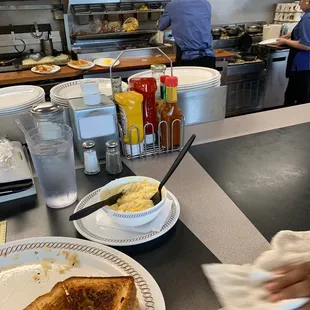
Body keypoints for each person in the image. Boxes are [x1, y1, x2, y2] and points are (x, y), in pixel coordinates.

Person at [158, 0, 216, 68]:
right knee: (209, 78)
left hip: (189, 58)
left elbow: (161, 26)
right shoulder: (206, 3)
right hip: (209, 55)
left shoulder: (173, 5)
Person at [277, 0, 310, 106]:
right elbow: (303, 31)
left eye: (301, 1)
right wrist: (288, 35)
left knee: (296, 98)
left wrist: (285, 41)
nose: (299, 3)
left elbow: (306, 45)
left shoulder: (307, 18)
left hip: (302, 65)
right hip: (306, 66)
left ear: (308, 2)